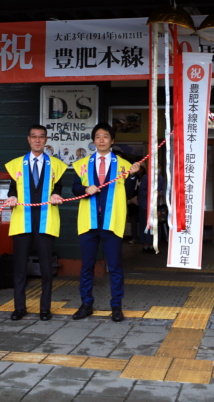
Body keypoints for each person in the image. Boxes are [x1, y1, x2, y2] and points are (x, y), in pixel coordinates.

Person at [71, 123, 139, 322]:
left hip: (112, 222)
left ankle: (116, 306)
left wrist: (132, 176)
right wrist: (85, 189)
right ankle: (86, 304)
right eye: (98, 136)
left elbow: (128, 192)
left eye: (105, 136)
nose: (101, 140)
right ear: (94, 141)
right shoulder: (82, 164)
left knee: (115, 265)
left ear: (112, 140)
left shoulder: (124, 165)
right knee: (87, 266)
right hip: (88, 223)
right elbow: (74, 188)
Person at [4, 125, 67, 321]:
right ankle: (19, 307)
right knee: (20, 267)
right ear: (28, 139)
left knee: (47, 268)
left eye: (41, 137)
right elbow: (12, 189)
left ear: (46, 140)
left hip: (45, 221)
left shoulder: (56, 165)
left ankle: (45, 308)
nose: (38, 140)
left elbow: (59, 189)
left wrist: (57, 194)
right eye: (34, 137)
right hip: (22, 220)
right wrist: (12, 197)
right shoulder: (16, 165)